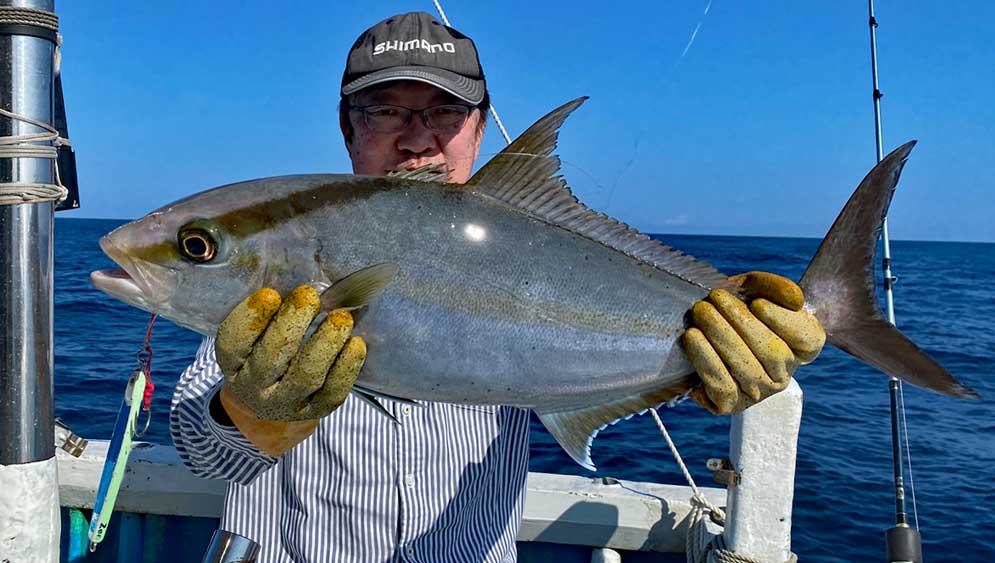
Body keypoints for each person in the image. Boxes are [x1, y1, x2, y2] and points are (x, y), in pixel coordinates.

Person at [170, 11, 825, 563]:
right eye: (386, 109)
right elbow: (203, 454)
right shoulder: (286, 250)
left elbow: (619, 348)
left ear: (481, 129)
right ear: (348, 127)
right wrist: (248, 410)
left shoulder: (535, 250)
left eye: (445, 111)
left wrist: (706, 363)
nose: (418, 138)